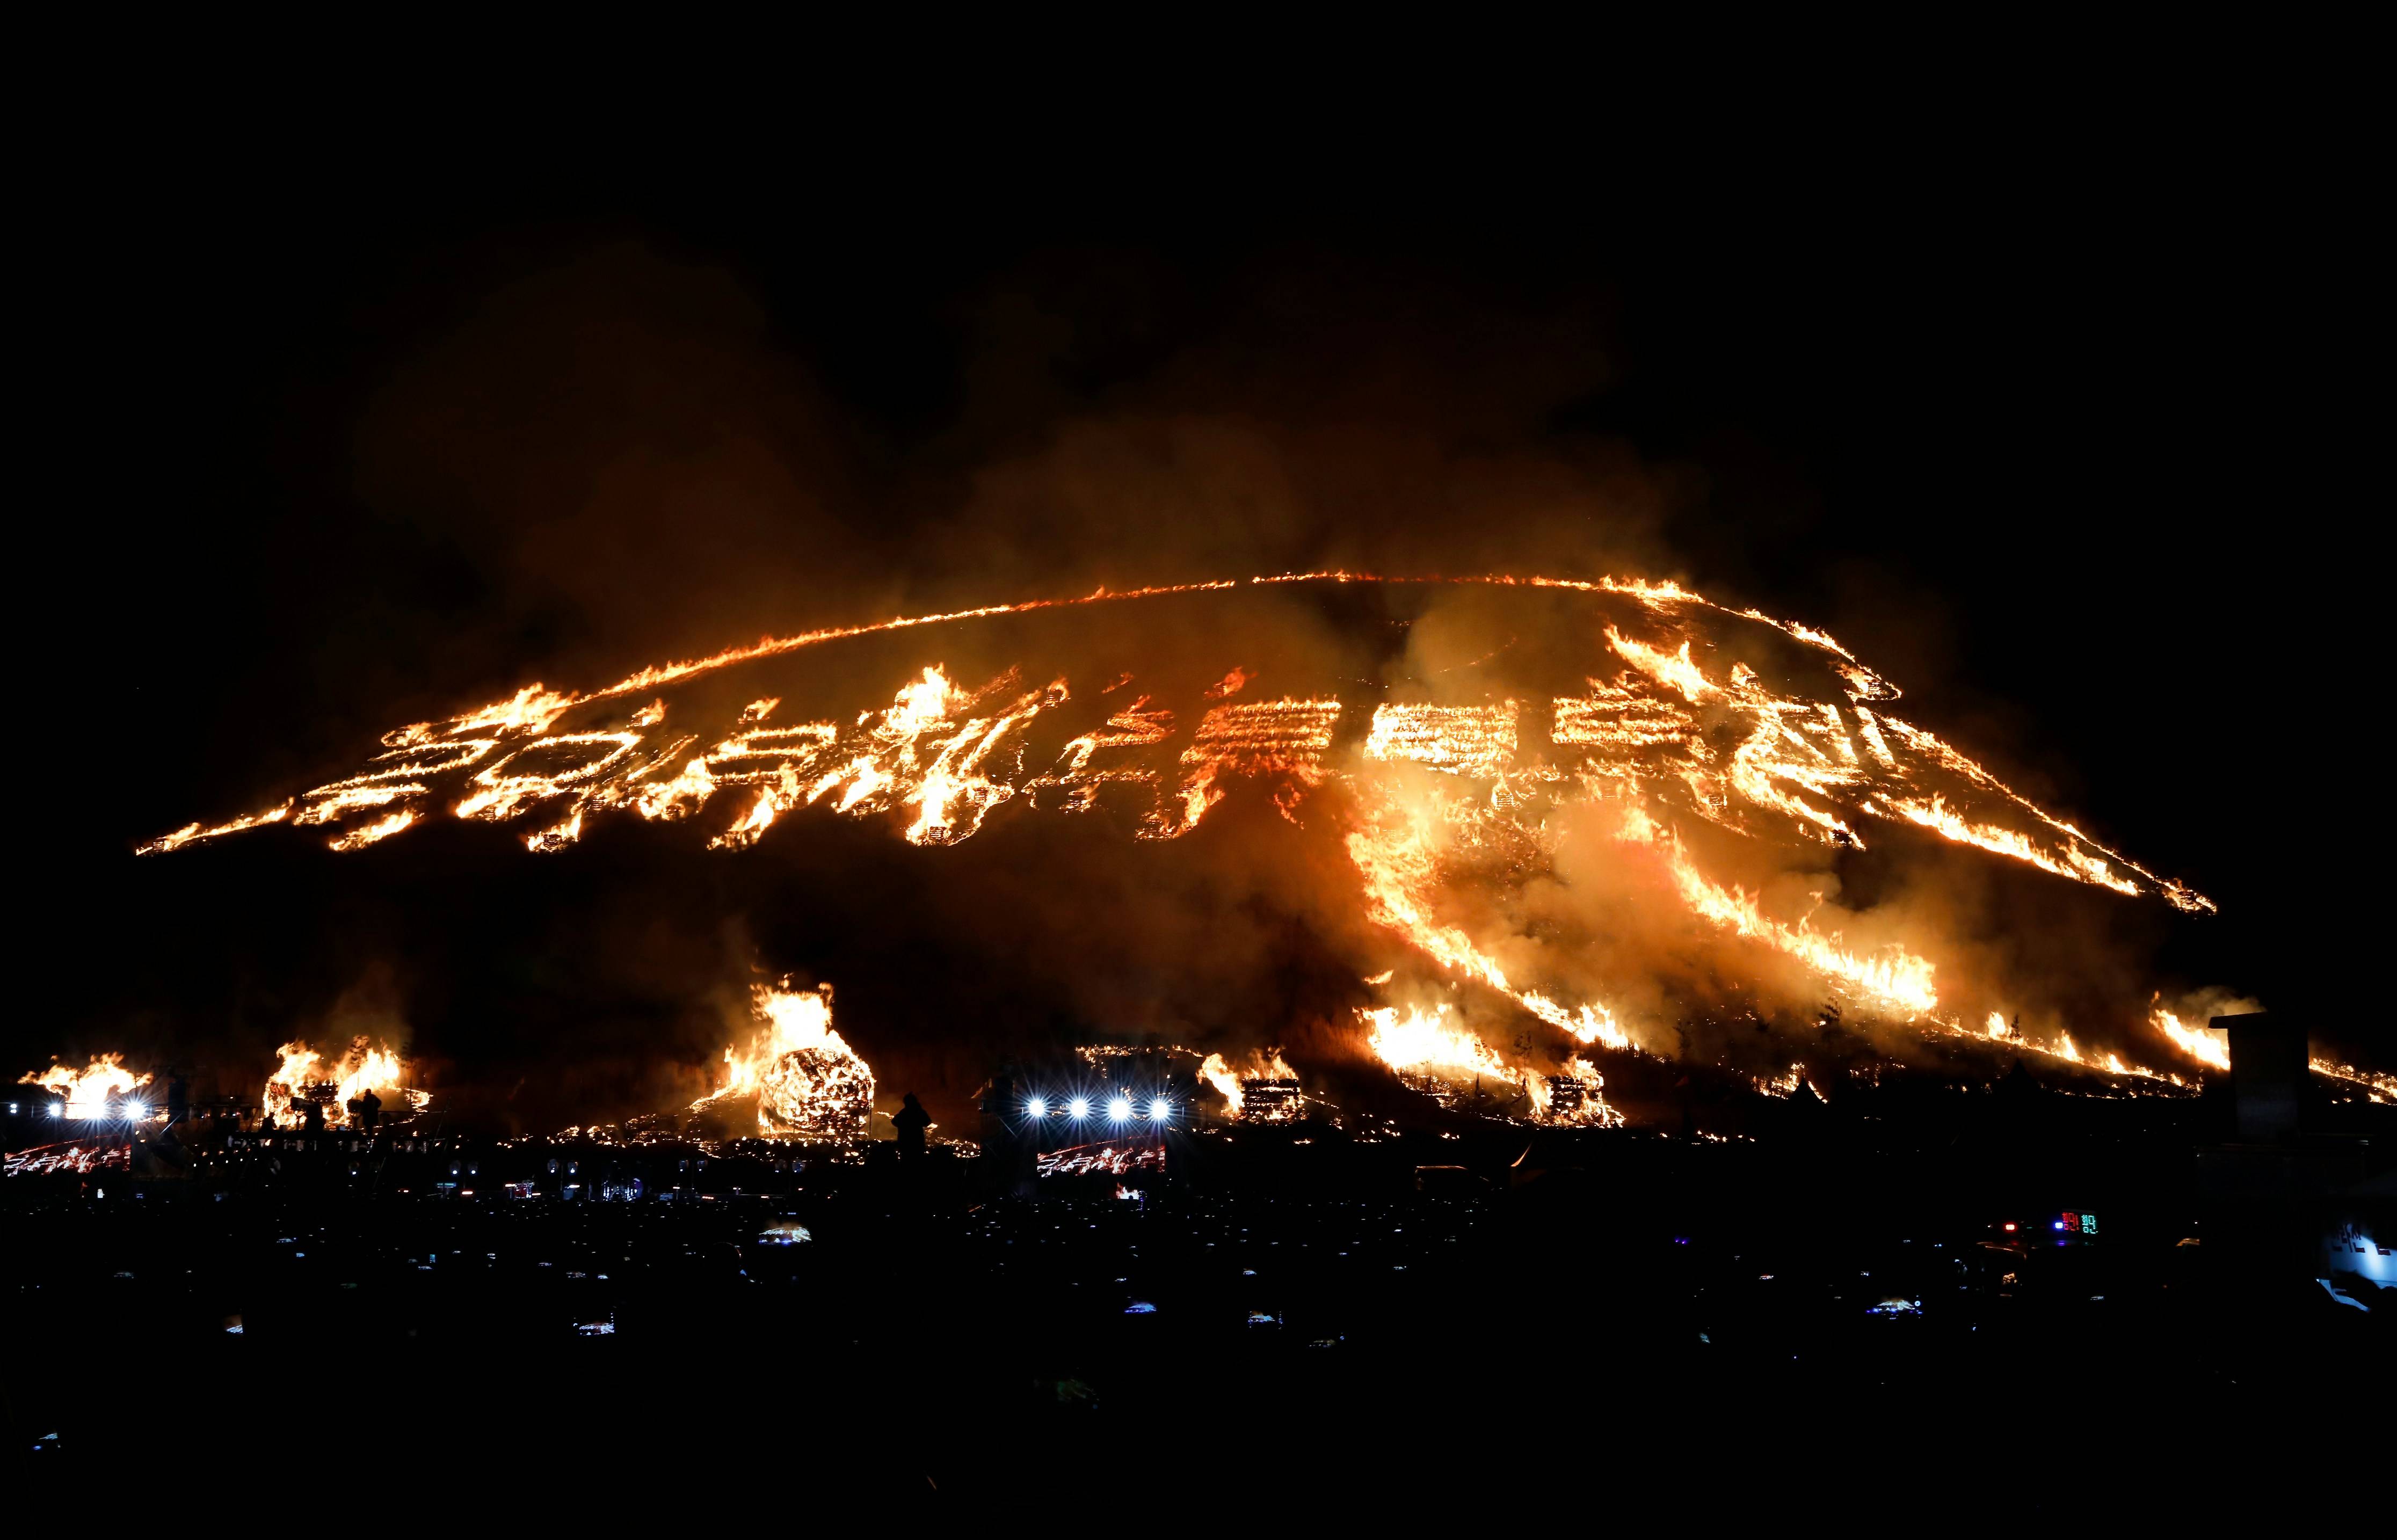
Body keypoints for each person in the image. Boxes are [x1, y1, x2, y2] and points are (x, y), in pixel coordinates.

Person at [893, 1092, 931, 1164]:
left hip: (906, 1142)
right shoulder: (919, 1112)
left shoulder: (904, 1112)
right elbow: (927, 1122)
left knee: (906, 1161)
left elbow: (894, 1122)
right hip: (917, 1142)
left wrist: (904, 1126)